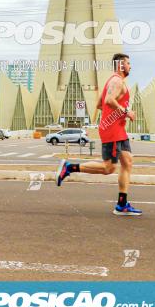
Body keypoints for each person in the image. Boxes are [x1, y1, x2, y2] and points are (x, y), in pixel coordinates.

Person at [56, 53, 141, 215]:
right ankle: (69, 167)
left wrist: (116, 115)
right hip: (113, 131)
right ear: (121, 66)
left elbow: (99, 104)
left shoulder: (112, 81)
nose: (130, 66)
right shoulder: (117, 81)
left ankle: (122, 205)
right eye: (128, 63)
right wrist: (126, 112)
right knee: (108, 168)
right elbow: (109, 100)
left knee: (127, 162)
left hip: (117, 129)